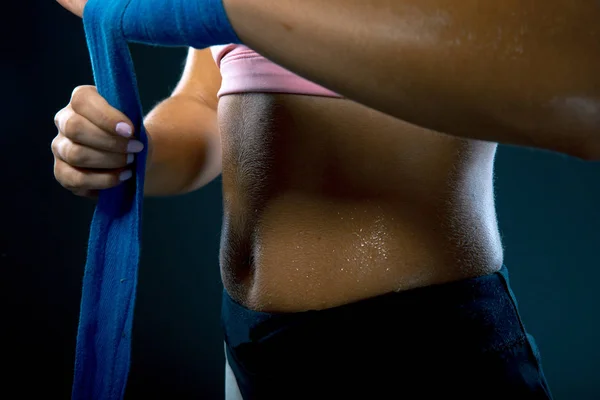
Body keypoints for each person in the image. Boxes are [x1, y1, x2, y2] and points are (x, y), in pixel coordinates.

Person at [53, 1, 600, 398]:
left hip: (414, 351)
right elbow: (203, 103)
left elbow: (581, 91)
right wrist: (128, 150)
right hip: (249, 344)